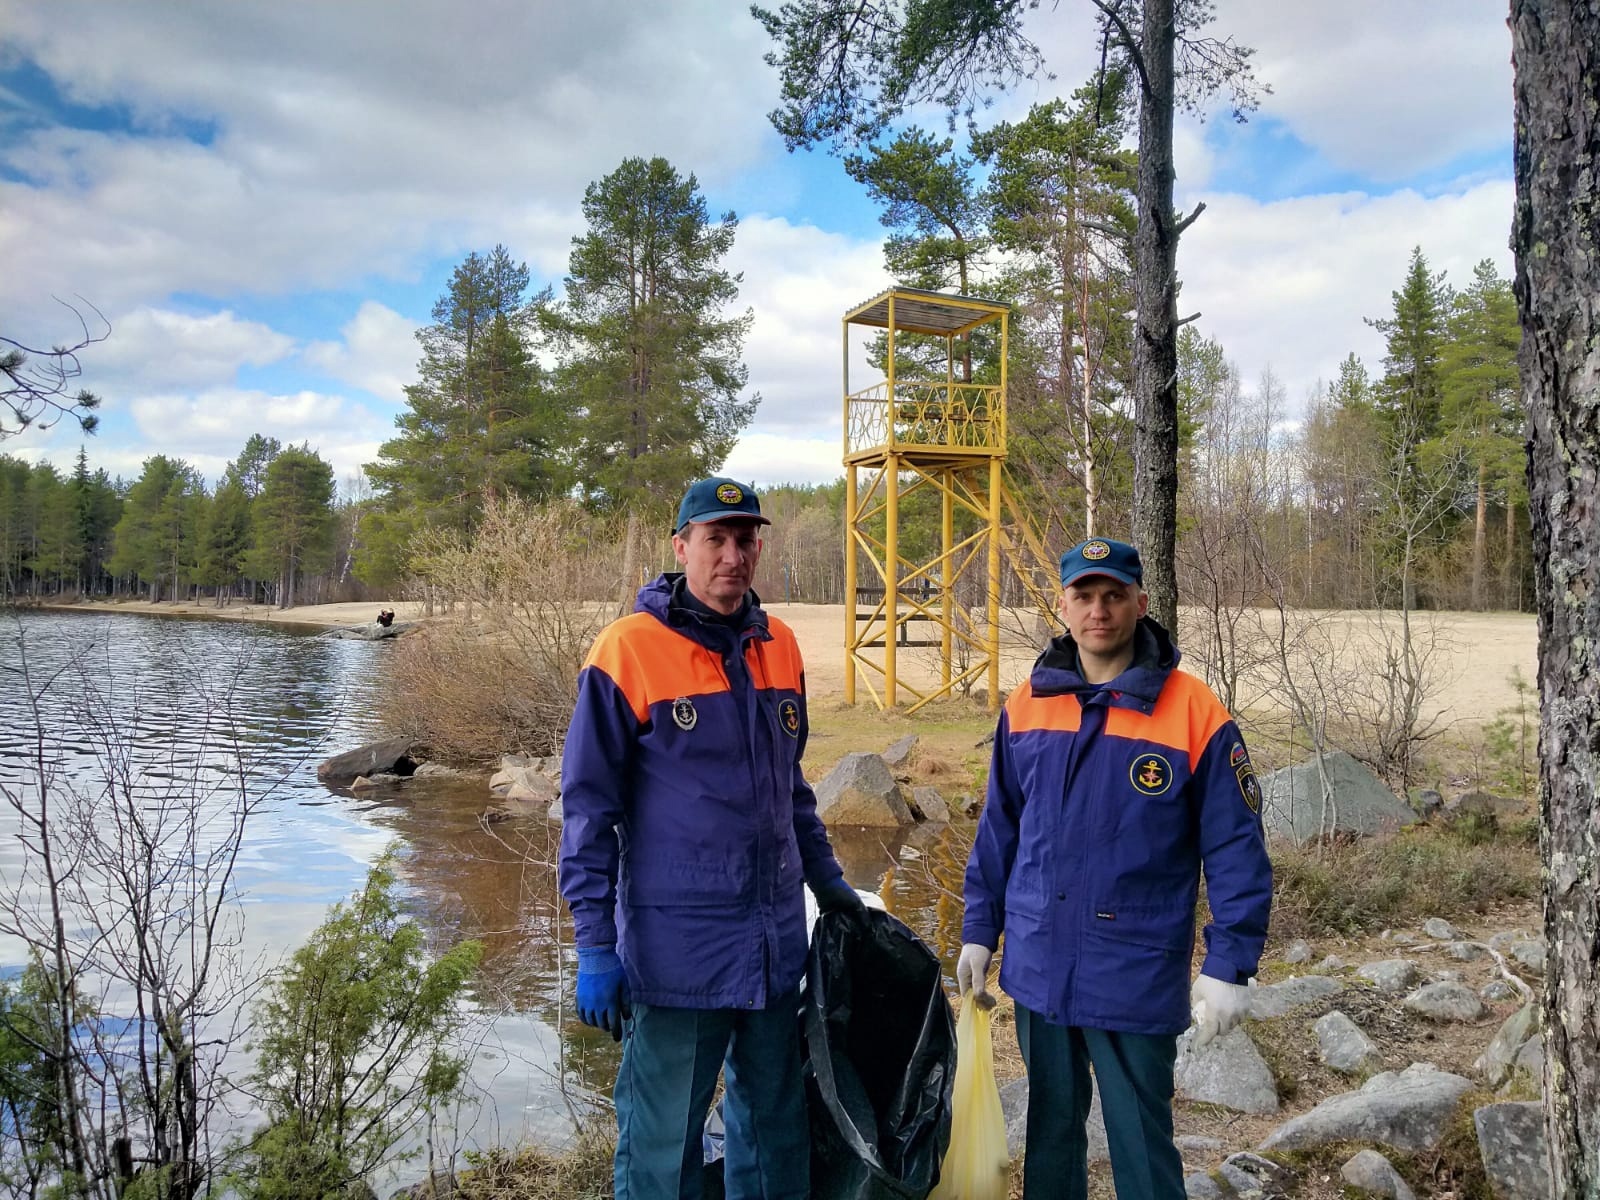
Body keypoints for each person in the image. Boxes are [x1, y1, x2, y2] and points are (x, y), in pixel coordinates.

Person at [559, 476, 866, 1200]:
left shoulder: (779, 646)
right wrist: (595, 945)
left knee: (775, 1132)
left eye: (746, 539)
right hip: (677, 958)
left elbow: (790, 788)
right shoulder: (627, 652)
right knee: (664, 1148)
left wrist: (829, 884)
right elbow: (588, 811)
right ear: (681, 546)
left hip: (771, 947)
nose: (733, 555)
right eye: (715, 539)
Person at [956, 537, 1272, 1200]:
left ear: (1140, 602)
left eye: (1113, 595)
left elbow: (1237, 846)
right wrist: (980, 929)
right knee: (1050, 1137)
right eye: (1084, 595)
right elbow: (999, 830)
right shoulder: (1027, 704)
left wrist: (1229, 964)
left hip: (1133, 968)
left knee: (1141, 1145)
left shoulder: (1194, 712)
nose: (1098, 610)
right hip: (1041, 965)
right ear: (1064, 605)